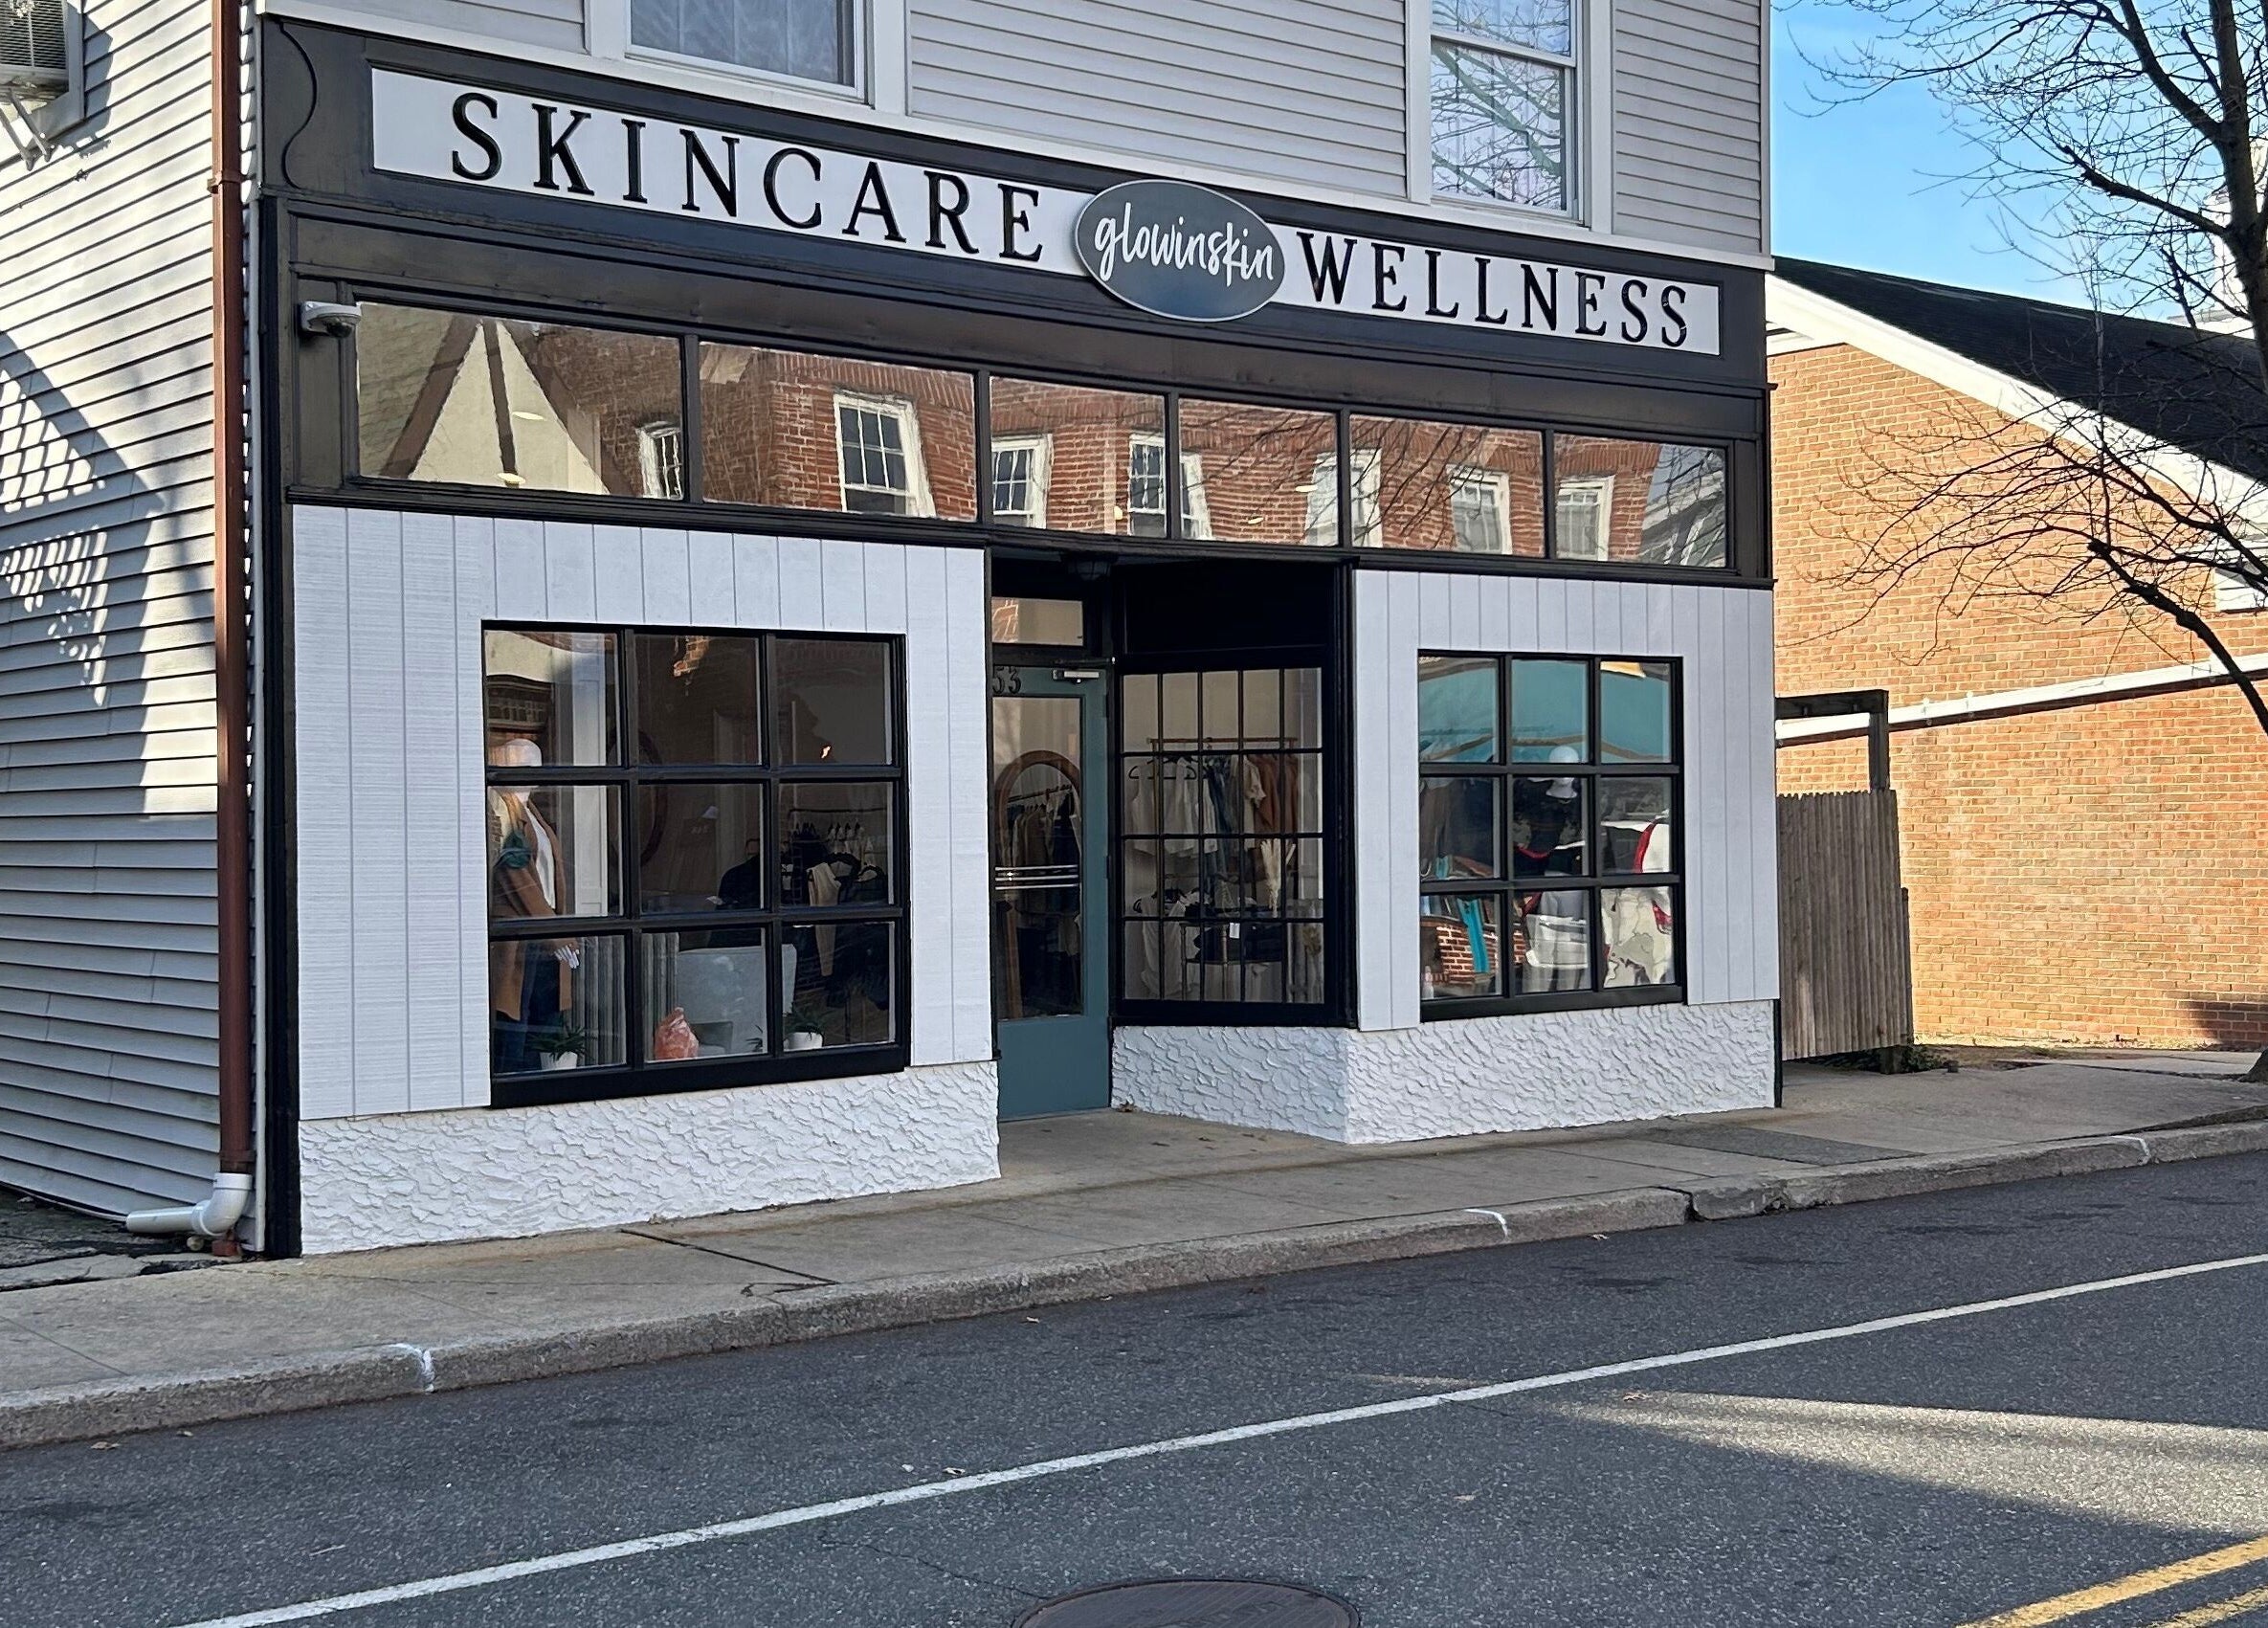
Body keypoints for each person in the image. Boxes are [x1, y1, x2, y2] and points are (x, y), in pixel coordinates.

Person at [488, 737, 579, 1070]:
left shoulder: (531, 811)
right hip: (520, 938)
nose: (534, 771)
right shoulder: (499, 808)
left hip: (541, 931)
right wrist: (556, 933)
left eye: (536, 763)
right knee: (515, 1029)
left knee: (544, 1023)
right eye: (524, 763)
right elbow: (515, 875)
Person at [1512, 747, 1588, 992]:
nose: (1565, 773)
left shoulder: (1586, 800)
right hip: (1542, 878)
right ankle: (1535, 995)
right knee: (1542, 943)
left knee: (1571, 942)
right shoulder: (1535, 801)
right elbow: (1520, 839)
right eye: (1559, 765)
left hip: (1575, 880)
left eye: (1571, 766)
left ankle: (1569, 995)